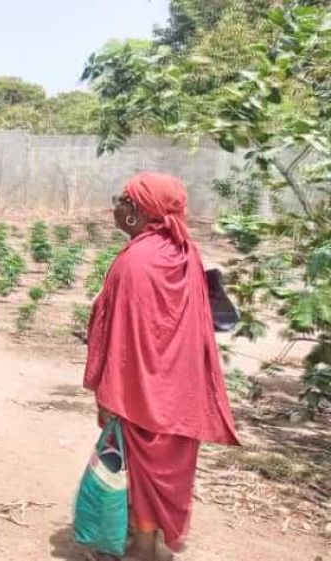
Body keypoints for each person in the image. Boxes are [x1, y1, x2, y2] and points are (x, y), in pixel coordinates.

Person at [83, 172, 240, 561]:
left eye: (122, 199)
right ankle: (151, 542)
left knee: (137, 465)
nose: (115, 205)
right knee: (166, 470)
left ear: (137, 212)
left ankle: (141, 548)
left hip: (140, 390)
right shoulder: (186, 254)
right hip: (181, 391)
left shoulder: (135, 261)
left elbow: (122, 336)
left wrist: (110, 392)